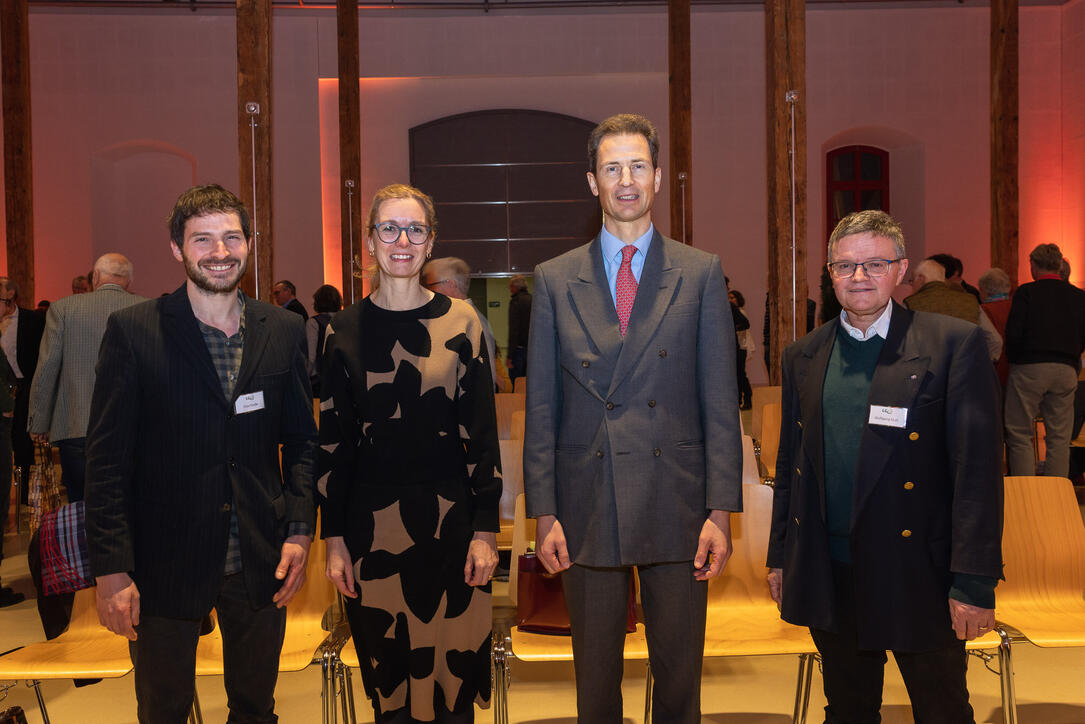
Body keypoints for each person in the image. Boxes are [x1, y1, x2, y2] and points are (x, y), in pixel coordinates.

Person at [523, 113, 742, 724]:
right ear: (592, 181)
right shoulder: (554, 278)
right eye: (612, 167)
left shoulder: (699, 273)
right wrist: (545, 512)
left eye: (638, 166)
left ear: (659, 177)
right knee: (595, 687)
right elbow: (541, 406)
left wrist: (720, 510)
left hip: (679, 499)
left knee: (678, 682)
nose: (626, 180)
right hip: (585, 499)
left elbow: (720, 401)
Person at [85, 184, 317, 723]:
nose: (219, 251)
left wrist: (300, 530)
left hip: (260, 560)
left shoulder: (281, 330)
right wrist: (112, 570)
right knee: (163, 712)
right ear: (177, 248)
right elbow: (106, 462)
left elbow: (303, 443)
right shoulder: (134, 331)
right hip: (162, 563)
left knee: (256, 710)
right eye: (203, 239)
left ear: (249, 243)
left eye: (231, 237)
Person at [767, 210, 1003, 723]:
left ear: (902, 270)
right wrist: (782, 555)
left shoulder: (951, 345)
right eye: (845, 266)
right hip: (832, 572)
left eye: (875, 264)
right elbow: (791, 466)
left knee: (941, 709)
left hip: (921, 571)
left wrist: (974, 583)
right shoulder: (803, 355)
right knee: (849, 709)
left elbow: (977, 476)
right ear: (829, 275)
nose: (859, 277)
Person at [320, 183, 501, 724]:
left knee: (454, 693)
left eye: (415, 229)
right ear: (370, 244)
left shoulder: (462, 321)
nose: (402, 240)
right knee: (391, 690)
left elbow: (482, 436)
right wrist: (334, 541)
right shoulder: (342, 331)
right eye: (389, 228)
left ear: (429, 242)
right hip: (371, 538)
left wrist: (488, 532)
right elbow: (333, 446)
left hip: (453, 528)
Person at [28, 253, 146, 503]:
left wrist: (38, 421)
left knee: (82, 506)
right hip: (135, 426)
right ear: (130, 280)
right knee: (130, 506)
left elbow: (48, 366)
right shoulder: (149, 310)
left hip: (76, 425)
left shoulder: (63, 309)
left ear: (94, 277)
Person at [1004, 242, 1085, 477]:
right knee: (1059, 436)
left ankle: (1026, 491)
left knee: (1019, 433)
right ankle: (1056, 493)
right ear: (1060, 265)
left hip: (1030, 367)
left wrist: (1016, 360)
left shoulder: (1026, 292)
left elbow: (1014, 333)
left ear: (1033, 266)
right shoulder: (1079, 296)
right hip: (1066, 369)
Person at [422, 256, 499, 392]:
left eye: (431, 285)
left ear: (450, 284)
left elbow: (484, 380)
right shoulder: (457, 319)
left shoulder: (471, 321)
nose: (428, 292)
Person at [903, 258, 1002, 361]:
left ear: (921, 278)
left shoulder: (910, 304)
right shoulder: (970, 301)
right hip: (966, 369)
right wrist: (983, 363)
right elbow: (995, 341)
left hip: (928, 371)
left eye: (912, 281)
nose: (912, 285)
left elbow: (903, 345)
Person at [0, 277, 44, 507]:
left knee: (22, 442)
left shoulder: (32, 320)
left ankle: (23, 492)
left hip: (24, 386)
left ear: (12, 298)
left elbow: (42, 355)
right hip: (2, 387)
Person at [977, 267, 1013, 388]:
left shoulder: (984, 310)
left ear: (985, 291)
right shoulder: (1017, 305)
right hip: (1016, 368)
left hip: (996, 368)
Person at [305, 283, 342, 398]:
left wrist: (304, 379)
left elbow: (311, 357)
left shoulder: (313, 323)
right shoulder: (344, 319)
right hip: (341, 376)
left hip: (320, 380)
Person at [729, 289, 753, 410]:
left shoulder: (740, 312)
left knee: (741, 375)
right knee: (740, 375)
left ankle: (747, 399)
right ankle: (742, 399)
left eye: (733, 297)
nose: (731, 300)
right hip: (737, 346)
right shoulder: (733, 310)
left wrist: (731, 328)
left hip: (741, 346)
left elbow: (745, 327)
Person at [507, 274, 531, 380]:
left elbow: (514, 330)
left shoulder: (516, 302)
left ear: (516, 287)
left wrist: (510, 356)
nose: (510, 289)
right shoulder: (533, 300)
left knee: (517, 382)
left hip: (518, 351)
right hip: (532, 350)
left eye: (511, 286)